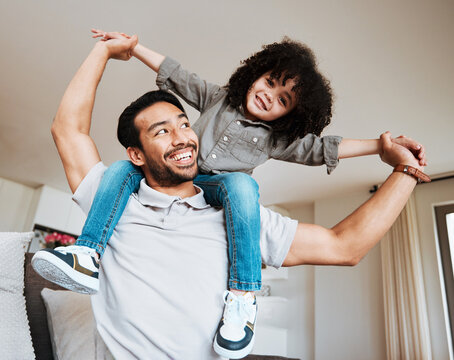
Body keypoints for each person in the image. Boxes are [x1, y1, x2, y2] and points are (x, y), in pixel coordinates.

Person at [32, 30, 428, 358]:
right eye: (160, 131)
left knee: (243, 186)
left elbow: (344, 245)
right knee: (118, 173)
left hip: (224, 195)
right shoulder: (114, 199)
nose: (183, 135)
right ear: (137, 153)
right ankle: (87, 253)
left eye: (184, 123)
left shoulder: (242, 220)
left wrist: (398, 161)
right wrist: (109, 49)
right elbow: (69, 129)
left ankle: (243, 297)